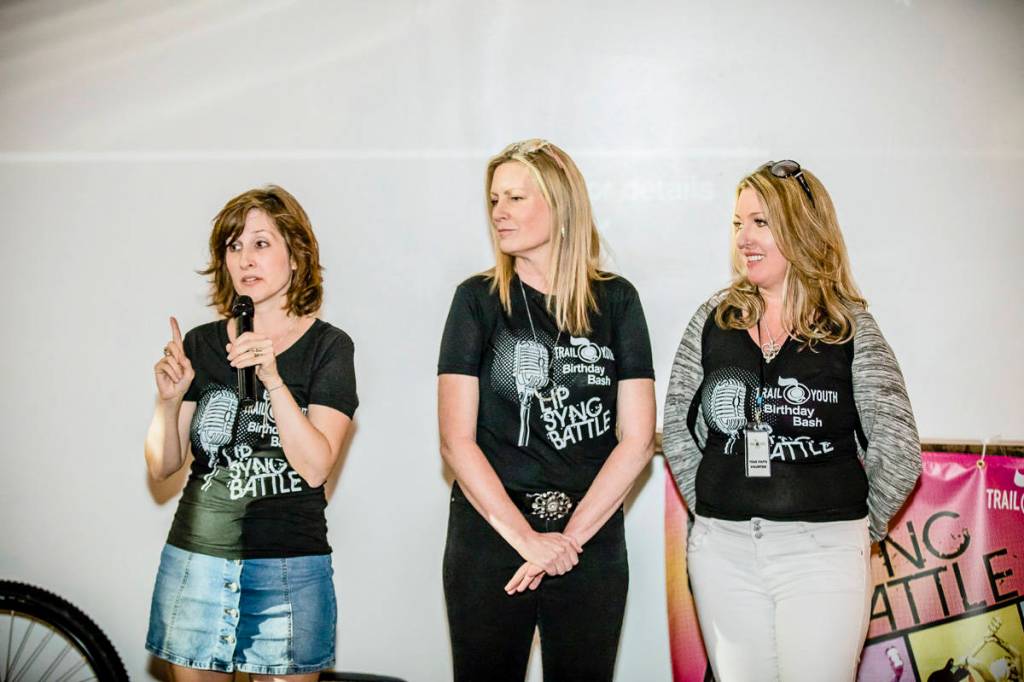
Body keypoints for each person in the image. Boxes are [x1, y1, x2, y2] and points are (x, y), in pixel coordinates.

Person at [662, 160, 921, 681]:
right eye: (738, 224)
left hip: (822, 556)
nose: (744, 238)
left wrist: (851, 529)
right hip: (723, 554)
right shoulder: (714, 320)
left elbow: (898, 449)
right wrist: (716, 511)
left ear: (803, 229)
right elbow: (678, 430)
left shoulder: (850, 329)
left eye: (761, 223)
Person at [437, 139, 656, 682]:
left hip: (589, 538)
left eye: (516, 198)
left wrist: (567, 542)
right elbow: (456, 441)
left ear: (561, 206)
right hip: (492, 537)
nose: (500, 212)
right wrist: (527, 541)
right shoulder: (476, 300)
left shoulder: (617, 301)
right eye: (494, 200)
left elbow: (637, 439)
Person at [144, 185, 357, 681]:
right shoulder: (201, 343)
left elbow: (315, 467)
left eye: (261, 243)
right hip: (197, 561)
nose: (245, 259)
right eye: (234, 246)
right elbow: (162, 465)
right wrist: (168, 401)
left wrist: (273, 379)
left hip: (289, 568)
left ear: (296, 256)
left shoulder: (329, 347)